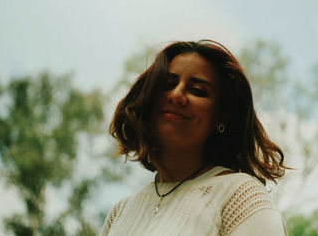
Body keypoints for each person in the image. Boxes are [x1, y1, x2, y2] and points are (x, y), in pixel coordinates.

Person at [101, 40, 289, 235]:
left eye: (198, 91)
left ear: (221, 115)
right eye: (167, 84)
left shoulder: (241, 198)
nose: (176, 95)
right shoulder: (120, 212)